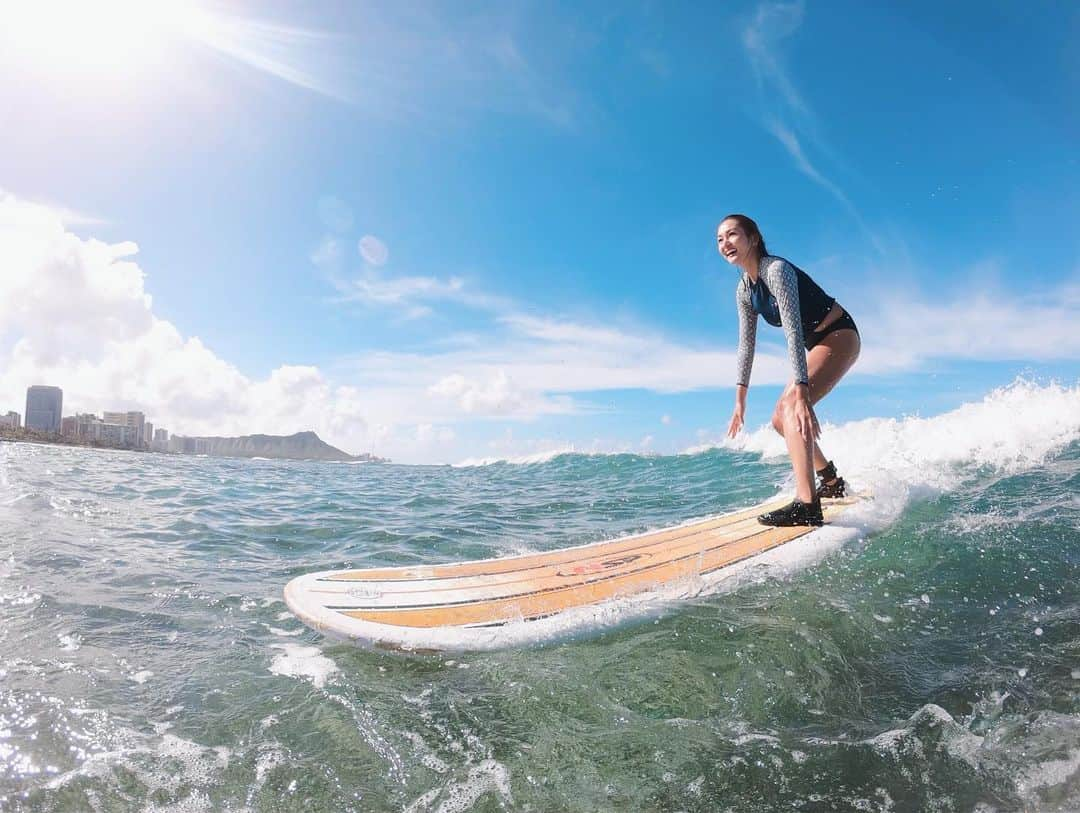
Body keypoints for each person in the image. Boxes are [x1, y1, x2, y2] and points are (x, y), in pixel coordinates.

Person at [717, 213, 860, 526]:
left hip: (839, 334)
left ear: (753, 238)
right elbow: (746, 346)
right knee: (780, 420)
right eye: (719, 238)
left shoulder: (776, 270)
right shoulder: (744, 290)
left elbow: (793, 331)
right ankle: (831, 481)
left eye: (732, 234)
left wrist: (803, 391)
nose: (725, 242)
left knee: (791, 407)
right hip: (818, 343)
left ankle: (807, 505)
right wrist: (739, 401)